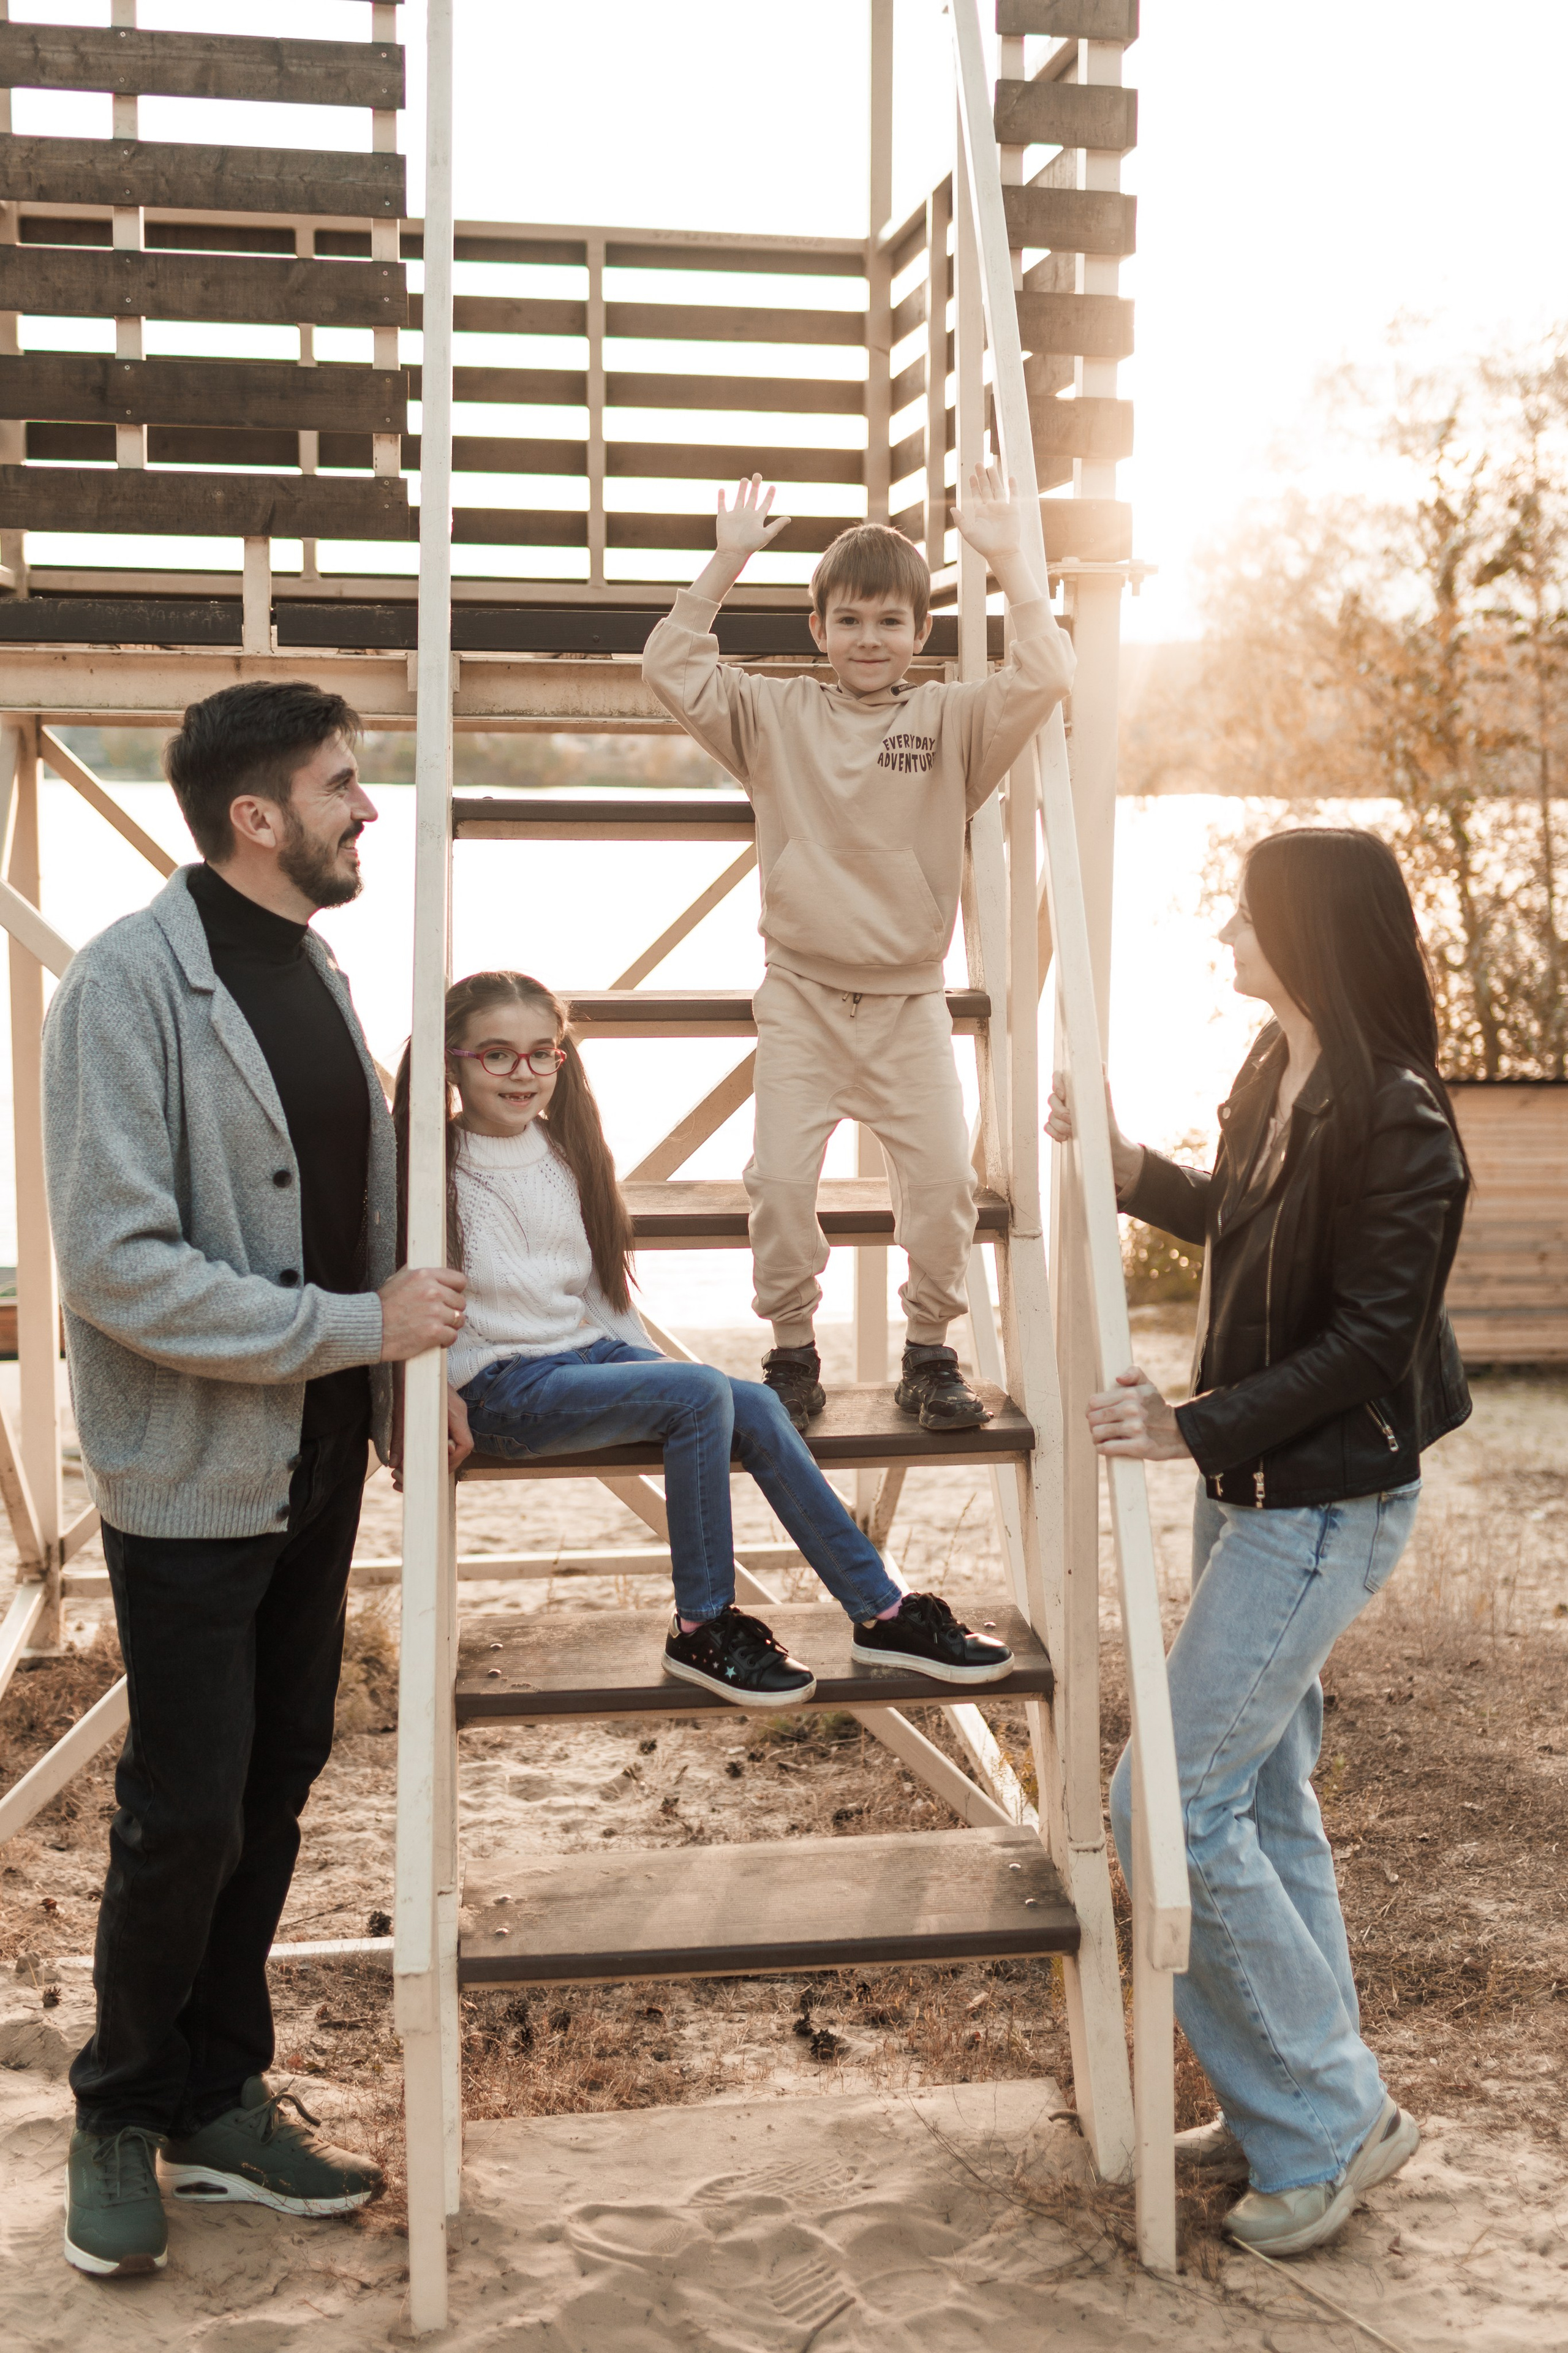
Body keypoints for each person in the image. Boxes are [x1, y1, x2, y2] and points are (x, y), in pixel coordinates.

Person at [41, 681, 467, 2280]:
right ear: (256, 817)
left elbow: (348, 1197)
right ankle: (115, 2111)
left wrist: (410, 1390)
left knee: (279, 1775)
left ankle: (218, 2093)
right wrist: (357, 1326)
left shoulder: (318, 964)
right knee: (182, 1810)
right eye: (344, 786)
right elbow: (120, 1267)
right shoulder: (125, 989)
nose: (369, 810)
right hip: (192, 1481)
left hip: (310, 1466)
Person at [1046, 826, 1471, 2257]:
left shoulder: (1399, 1114)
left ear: (1306, 930)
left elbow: (1369, 1341)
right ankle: (1275, 2098)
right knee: (1261, 1800)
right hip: (1252, 1489)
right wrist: (1121, 1167)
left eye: (1243, 918)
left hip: (1323, 1498)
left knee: (1159, 1805)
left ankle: (1326, 2109)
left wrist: (1189, 1422)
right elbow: (1235, 1223)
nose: (1224, 938)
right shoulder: (1274, 1071)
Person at [402, 967, 1014, 1705]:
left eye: (543, 1053)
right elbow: (392, 1288)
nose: (523, 1072)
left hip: (581, 1359)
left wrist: (663, 1383)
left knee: (748, 1402)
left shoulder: (566, 1153)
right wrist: (426, 1388)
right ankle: (701, 1626)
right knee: (698, 1393)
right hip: (497, 1388)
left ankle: (880, 1612)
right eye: (496, 1054)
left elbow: (600, 1298)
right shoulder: (426, 1166)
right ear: (453, 1062)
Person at [643, 466, 1074, 1435]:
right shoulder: (774, 717)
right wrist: (727, 560)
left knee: (944, 1187)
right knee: (782, 1185)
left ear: (922, 634)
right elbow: (670, 670)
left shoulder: (954, 720)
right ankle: (793, 1354)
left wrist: (1011, 559)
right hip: (799, 996)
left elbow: (1047, 671)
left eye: (889, 623)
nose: (869, 641)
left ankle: (930, 1354)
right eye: (849, 621)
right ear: (818, 630)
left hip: (910, 1003)